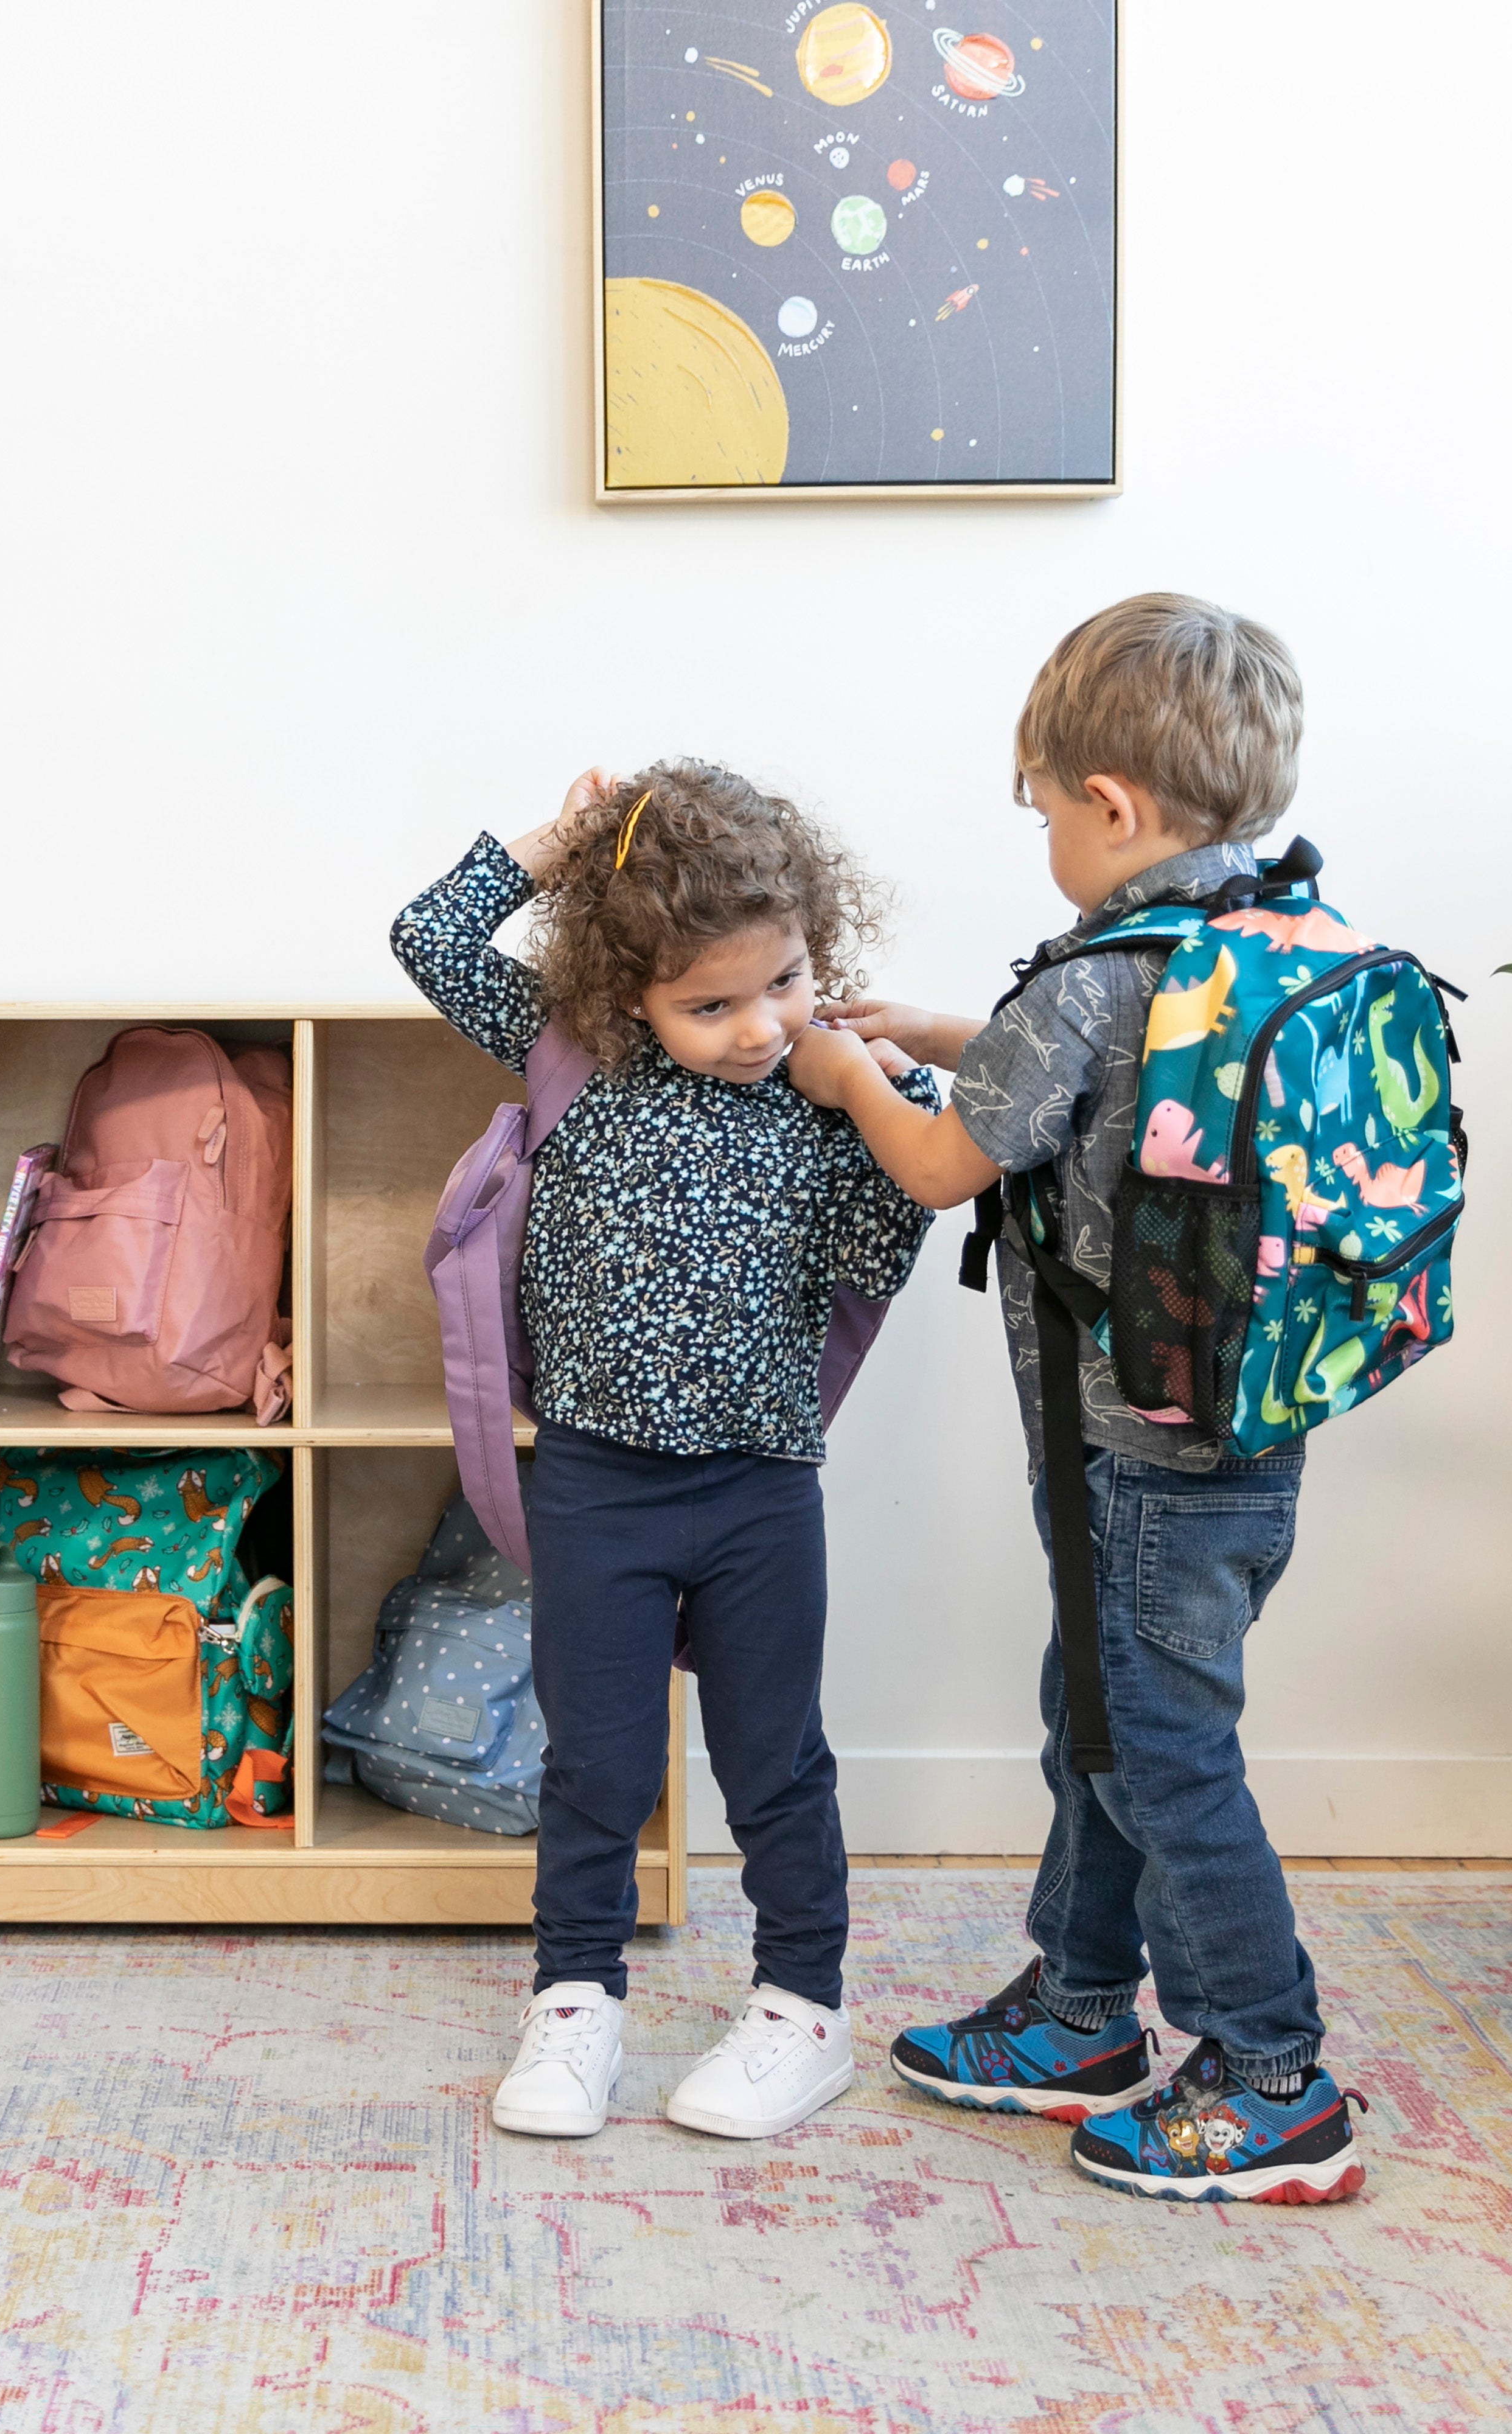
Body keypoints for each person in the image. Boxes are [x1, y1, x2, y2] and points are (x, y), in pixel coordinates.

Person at [784, 593, 1368, 2203]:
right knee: (1101, 1726)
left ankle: (1273, 2079)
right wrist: (941, 1030)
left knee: (1157, 1756)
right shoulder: (1261, 942)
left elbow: (937, 1156)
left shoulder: (1098, 976)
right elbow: (1116, 1101)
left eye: (1040, 804)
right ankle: (1085, 2011)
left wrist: (850, 1073)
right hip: (1243, 1446)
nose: (1042, 830)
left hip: (1132, 1463)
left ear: (1107, 805)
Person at [391, 761, 935, 2141]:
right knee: (595, 1758)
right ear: (622, 988)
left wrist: (863, 1078)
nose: (759, 1028)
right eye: (709, 1002)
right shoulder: (563, 1048)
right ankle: (574, 2000)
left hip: (758, 1486)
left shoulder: (842, 1099)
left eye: (786, 983)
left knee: (773, 1758)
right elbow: (431, 934)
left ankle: (800, 2007)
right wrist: (572, 838)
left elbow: (921, 1196)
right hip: (595, 1484)